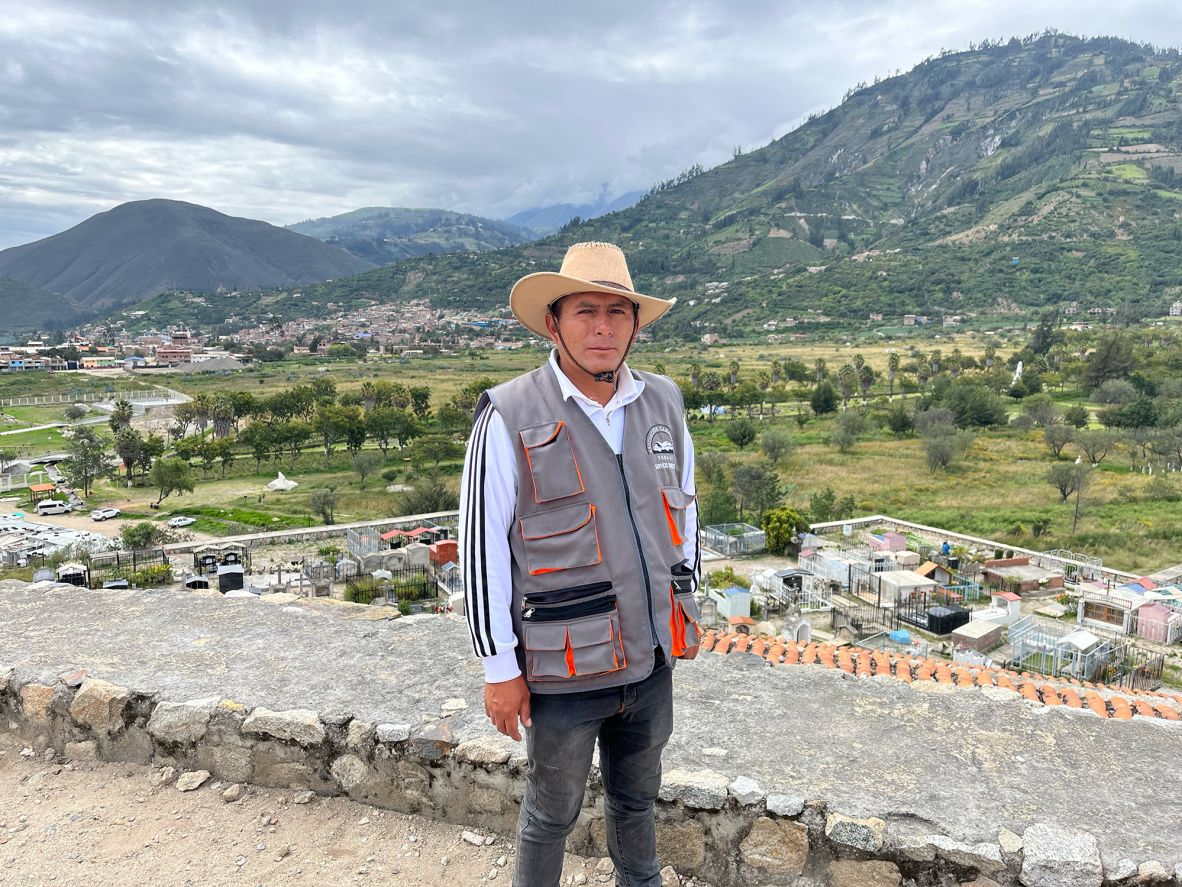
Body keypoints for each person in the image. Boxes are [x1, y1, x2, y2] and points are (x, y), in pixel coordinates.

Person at [459, 241, 701, 887]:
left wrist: (685, 603)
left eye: (618, 312)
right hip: (564, 669)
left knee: (636, 801)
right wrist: (499, 667)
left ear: (634, 324)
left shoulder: (664, 404)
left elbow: (686, 510)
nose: (602, 327)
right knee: (549, 813)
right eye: (586, 310)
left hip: (650, 661)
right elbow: (482, 547)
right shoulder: (509, 413)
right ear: (553, 322)